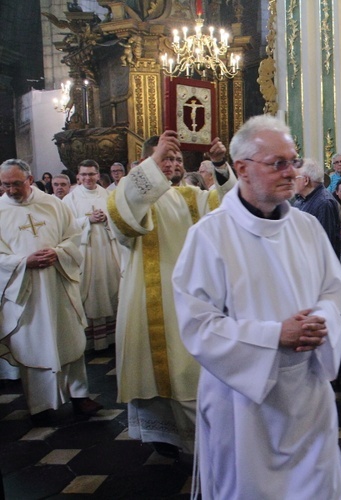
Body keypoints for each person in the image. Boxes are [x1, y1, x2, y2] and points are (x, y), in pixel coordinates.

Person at [172, 114, 341, 499]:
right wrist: (275, 336)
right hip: (244, 405)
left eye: (294, 161)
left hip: (307, 393)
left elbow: (333, 289)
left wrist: (320, 320)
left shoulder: (306, 228)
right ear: (242, 169)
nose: (291, 171)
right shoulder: (210, 235)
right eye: (278, 163)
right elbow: (198, 325)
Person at [108, 132, 235, 457]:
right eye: (166, 158)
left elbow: (232, 207)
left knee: (188, 373)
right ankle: (161, 438)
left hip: (190, 301)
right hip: (149, 301)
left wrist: (221, 164)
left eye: (177, 159)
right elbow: (123, 215)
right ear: (146, 164)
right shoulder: (134, 194)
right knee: (154, 377)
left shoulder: (193, 197)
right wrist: (154, 164)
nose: (173, 164)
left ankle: (200, 447)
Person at [0, 159, 101, 423]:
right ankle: (41, 405)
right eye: (5, 184)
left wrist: (58, 253)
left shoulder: (53, 204)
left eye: (16, 184)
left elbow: (73, 237)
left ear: (29, 180)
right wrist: (23, 262)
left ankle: (80, 396)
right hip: (25, 292)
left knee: (69, 337)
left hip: (58, 284)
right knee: (34, 344)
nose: (11, 190)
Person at [63, 159, 120, 351]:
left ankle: (111, 337)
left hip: (107, 249)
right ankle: (89, 341)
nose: (88, 178)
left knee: (111, 286)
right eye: (84, 174)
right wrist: (88, 220)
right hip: (84, 253)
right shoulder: (69, 199)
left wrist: (107, 219)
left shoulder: (109, 195)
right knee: (89, 291)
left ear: (98, 175)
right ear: (78, 177)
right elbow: (65, 227)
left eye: (92, 174)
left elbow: (119, 219)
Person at [293, 158, 341, 255]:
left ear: (306, 180)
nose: (291, 181)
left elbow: (324, 245)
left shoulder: (324, 203)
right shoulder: (299, 201)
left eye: (295, 177)